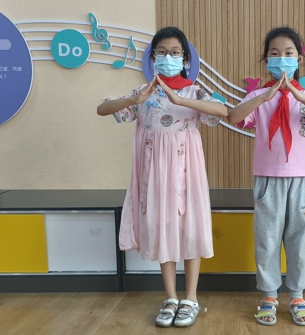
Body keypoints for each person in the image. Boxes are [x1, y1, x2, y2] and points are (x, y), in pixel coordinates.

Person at [97, 27, 227, 328]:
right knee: (162, 228)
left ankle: (191, 298)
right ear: (153, 57)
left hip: (187, 173)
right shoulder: (144, 93)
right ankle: (170, 297)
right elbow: (102, 109)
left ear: (185, 59)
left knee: (190, 229)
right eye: (162, 52)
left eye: (175, 52)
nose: (168, 57)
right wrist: (134, 98)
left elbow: (221, 110)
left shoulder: (194, 91)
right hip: (154, 175)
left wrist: (182, 101)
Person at [227, 27, 305, 326]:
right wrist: (265, 96)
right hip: (267, 180)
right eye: (274, 53)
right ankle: (269, 295)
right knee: (267, 240)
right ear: (266, 60)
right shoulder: (257, 96)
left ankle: (298, 295)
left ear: (299, 59)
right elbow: (234, 117)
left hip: (301, 180)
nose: (282, 58)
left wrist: (300, 96)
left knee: (299, 240)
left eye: (288, 53)